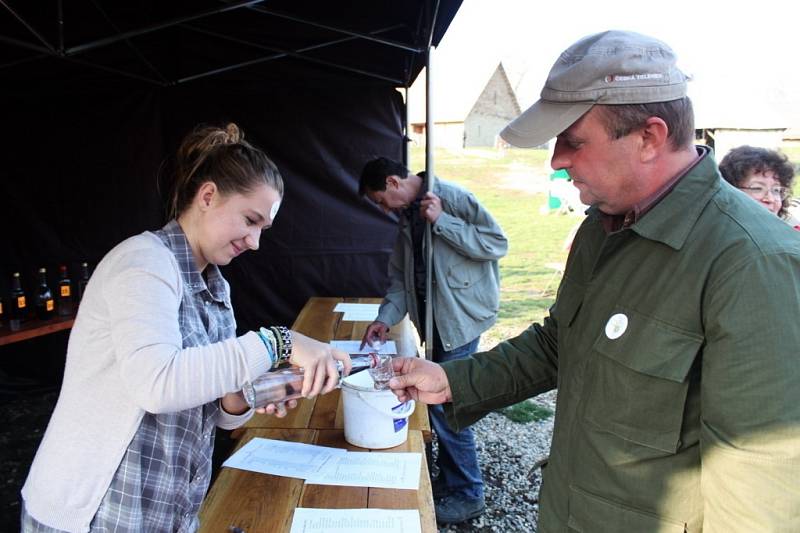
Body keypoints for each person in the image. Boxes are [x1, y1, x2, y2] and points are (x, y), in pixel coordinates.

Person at [388, 30, 800, 531]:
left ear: (649, 137)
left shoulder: (753, 261)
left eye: (572, 141)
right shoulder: (603, 227)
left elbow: (759, 484)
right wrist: (453, 379)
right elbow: (560, 344)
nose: (557, 160)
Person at [20, 123, 350, 532]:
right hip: (94, 513)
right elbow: (158, 384)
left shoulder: (216, 288)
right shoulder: (142, 262)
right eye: (250, 220)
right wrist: (281, 341)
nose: (254, 241)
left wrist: (262, 387)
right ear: (208, 196)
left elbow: (218, 410)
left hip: (166, 512)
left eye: (262, 228)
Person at [358, 157, 507, 524]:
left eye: (379, 199)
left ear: (393, 182)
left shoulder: (449, 198)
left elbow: (495, 243)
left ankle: (468, 493)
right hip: (435, 322)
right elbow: (400, 279)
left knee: (447, 405)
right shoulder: (407, 217)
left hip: (459, 319)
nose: (381, 208)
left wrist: (444, 221)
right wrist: (384, 319)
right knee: (439, 405)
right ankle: (453, 479)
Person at [719, 145, 800, 228]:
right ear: (730, 192)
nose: (770, 199)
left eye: (776, 190)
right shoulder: (713, 237)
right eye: (757, 188)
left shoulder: (791, 236)